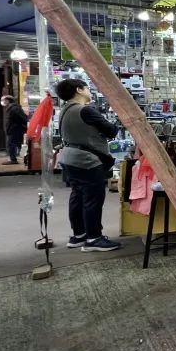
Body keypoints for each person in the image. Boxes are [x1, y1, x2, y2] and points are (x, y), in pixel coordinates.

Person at [56, 79, 120, 252]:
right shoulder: (85, 110)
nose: (90, 91)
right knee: (93, 199)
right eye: (87, 88)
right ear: (79, 90)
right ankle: (94, 239)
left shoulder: (65, 110)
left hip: (69, 158)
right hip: (86, 160)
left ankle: (79, 235)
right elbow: (111, 131)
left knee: (77, 196)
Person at [0, 95, 29, 165]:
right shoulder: (11, 108)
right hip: (13, 130)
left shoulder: (14, 108)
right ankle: (26, 159)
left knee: (11, 144)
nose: (2, 102)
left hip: (15, 130)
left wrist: (20, 126)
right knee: (17, 144)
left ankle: (13, 159)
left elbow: (24, 118)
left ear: (7, 100)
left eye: (3, 100)